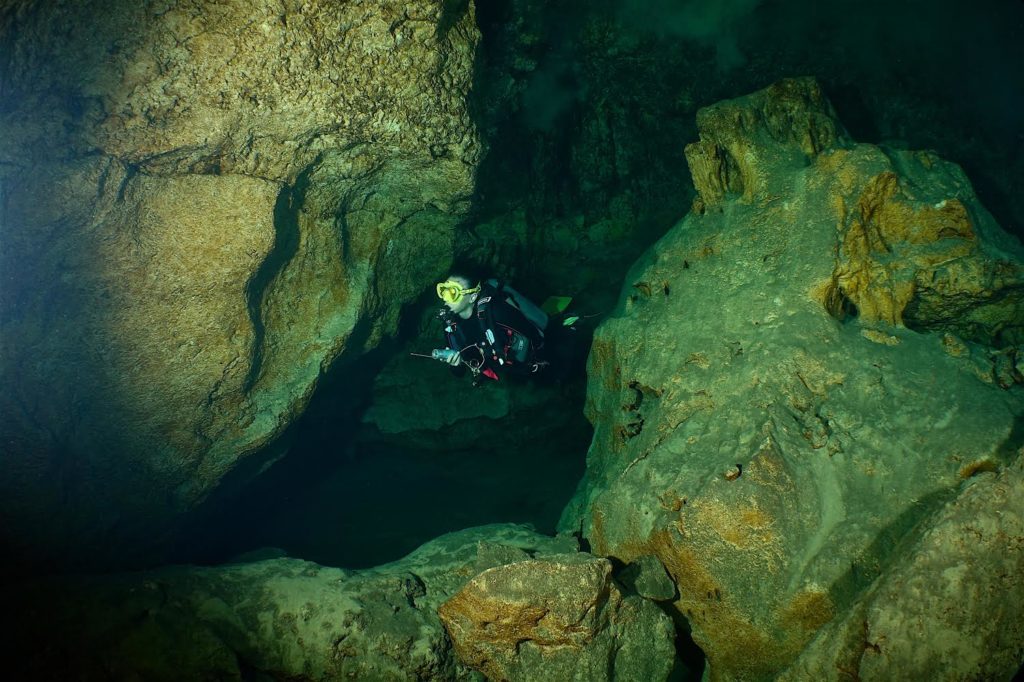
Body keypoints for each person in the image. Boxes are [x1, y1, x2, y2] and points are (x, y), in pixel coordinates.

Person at [431, 274, 549, 383]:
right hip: (505, 370)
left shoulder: (495, 312)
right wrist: (455, 364)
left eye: (452, 292)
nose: (445, 298)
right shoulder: (450, 324)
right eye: (444, 290)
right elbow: (459, 373)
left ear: (473, 297)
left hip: (530, 362)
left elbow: (534, 334)